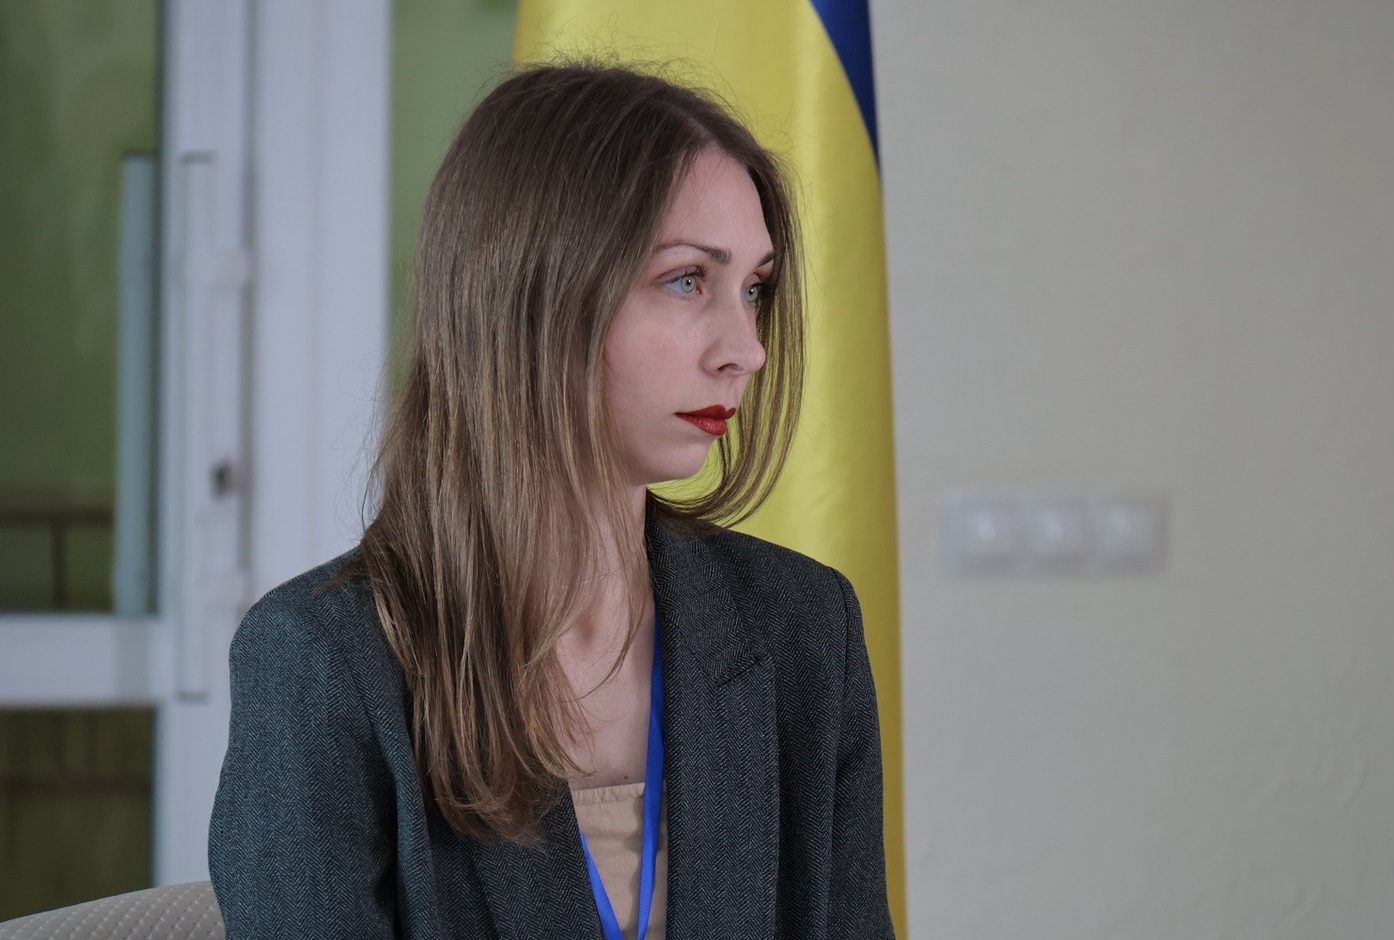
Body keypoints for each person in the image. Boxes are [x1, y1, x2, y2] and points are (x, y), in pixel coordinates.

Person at [209, 62, 894, 939]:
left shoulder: (805, 628)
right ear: (532, 294)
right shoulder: (321, 663)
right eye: (688, 279)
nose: (746, 350)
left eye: (753, 289)